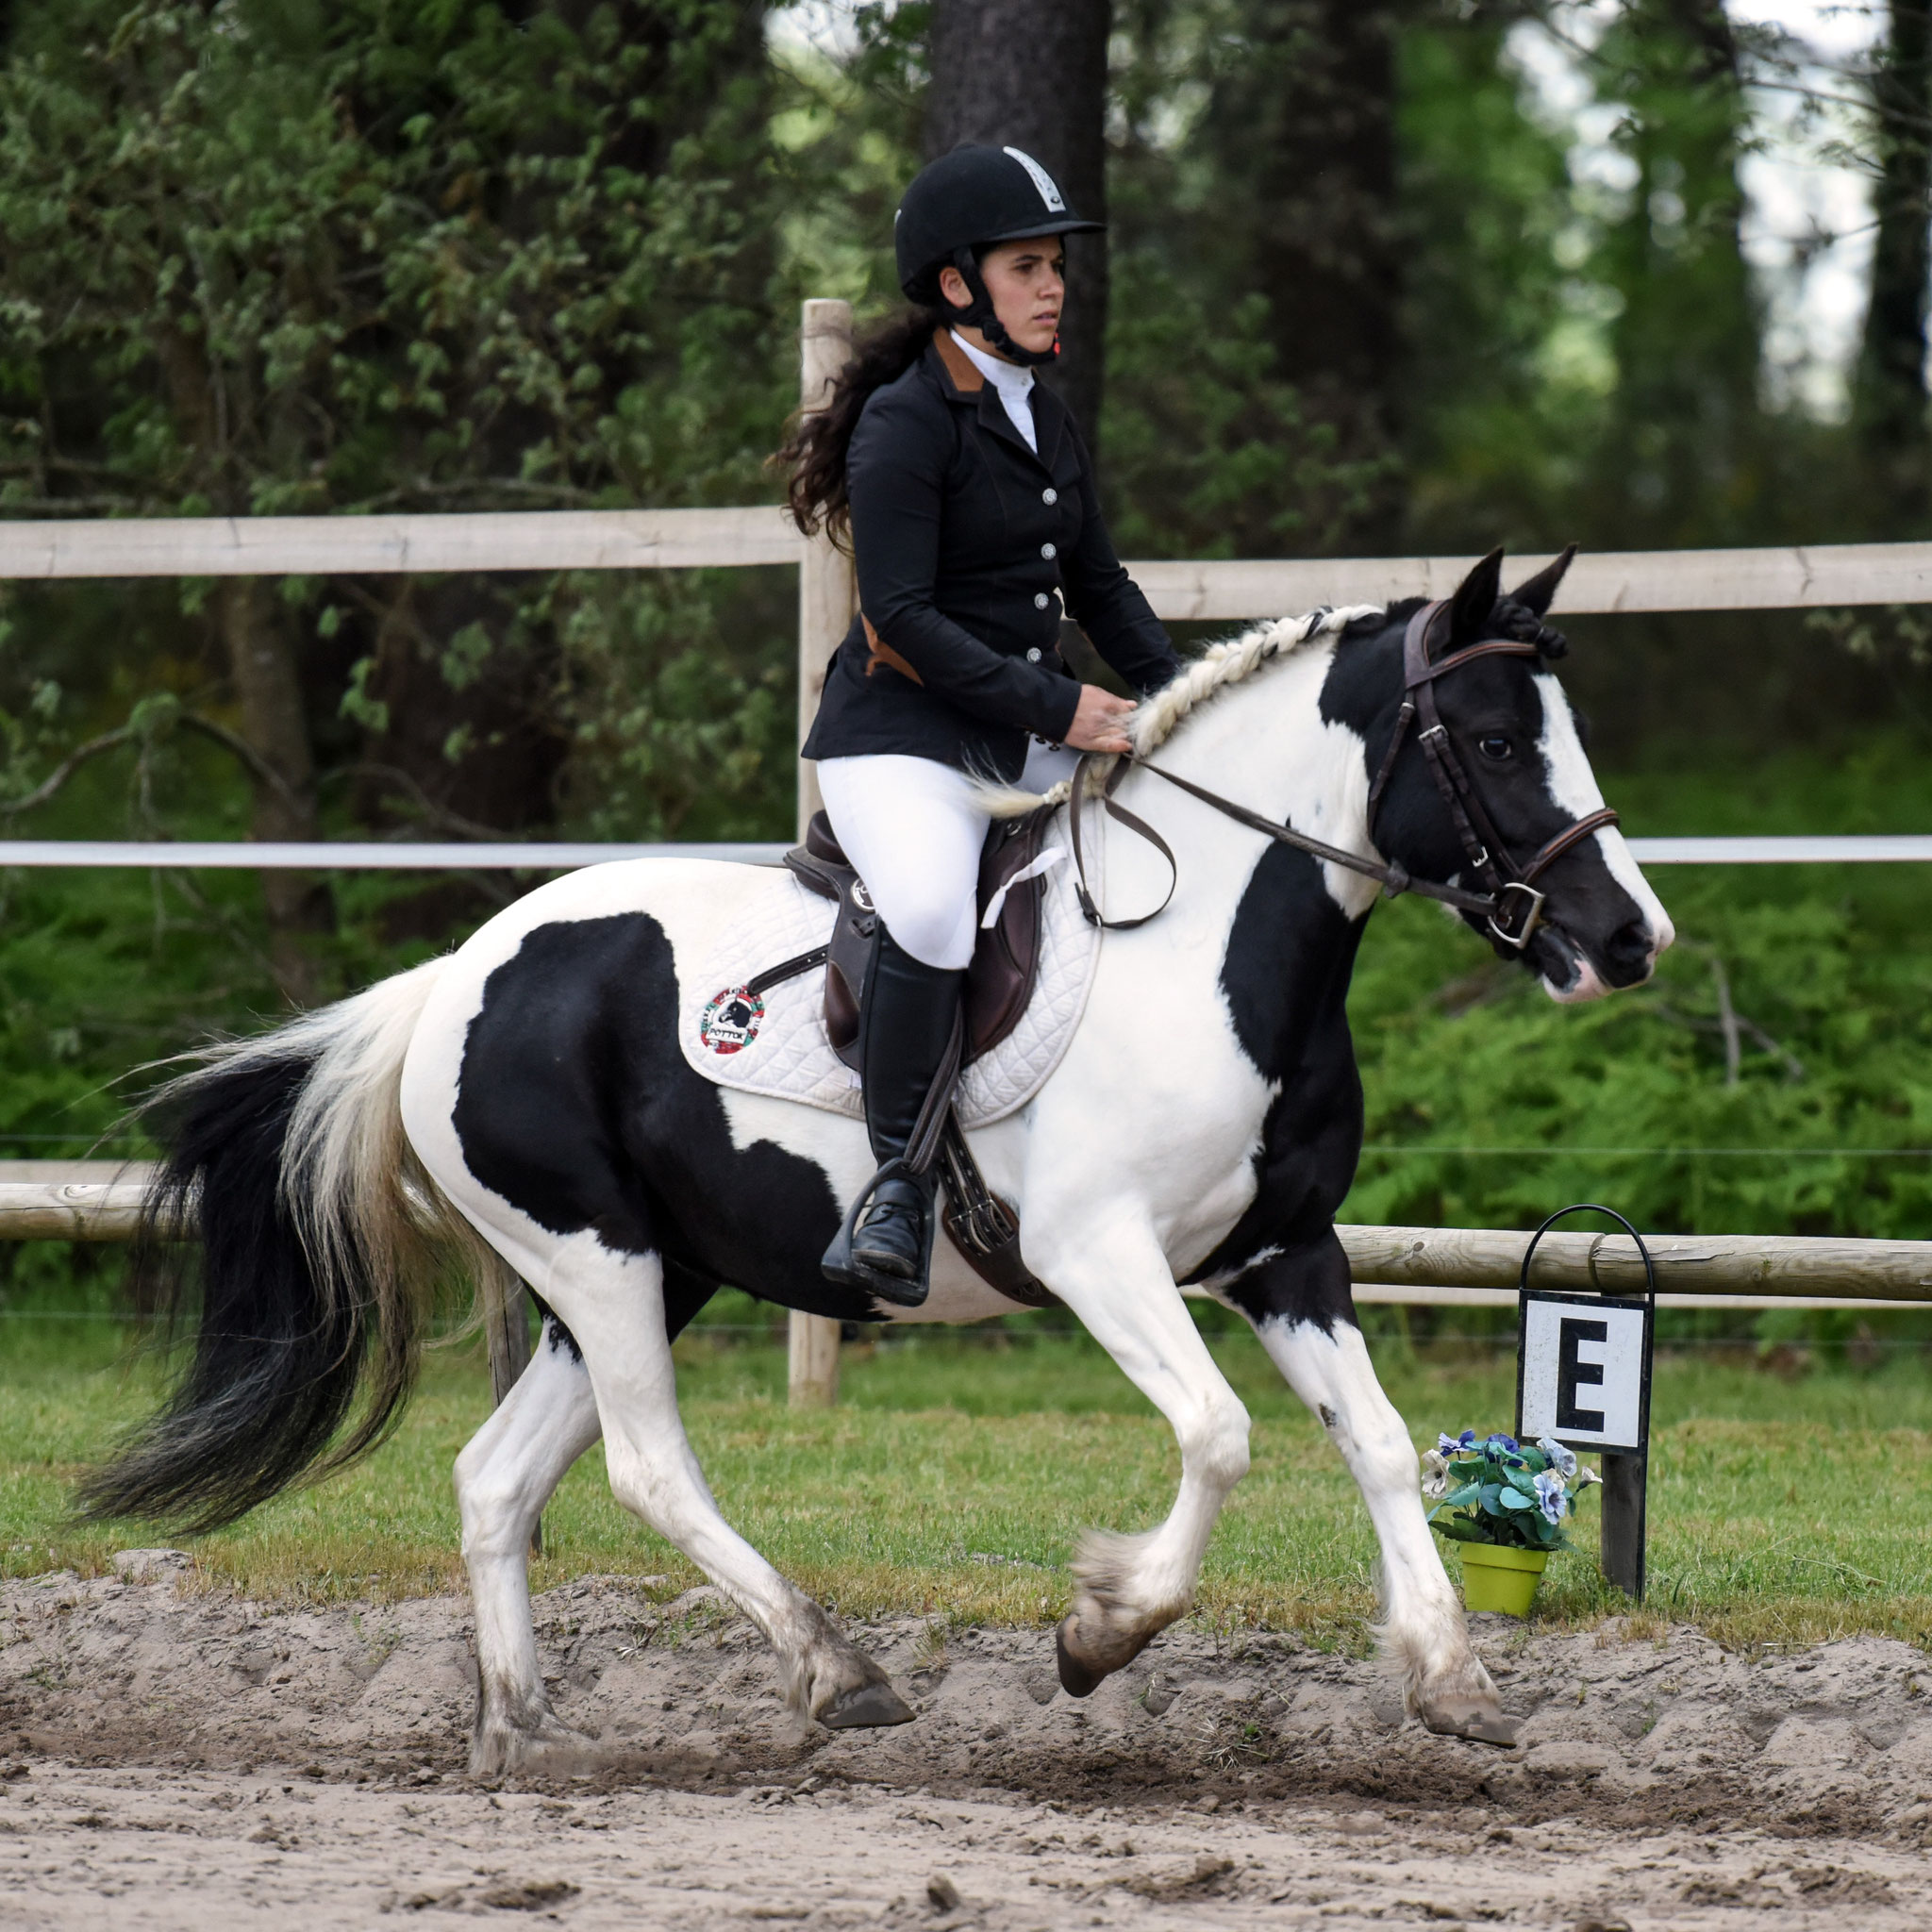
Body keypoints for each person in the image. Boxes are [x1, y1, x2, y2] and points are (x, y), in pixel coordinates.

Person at [780, 142, 1182, 1308]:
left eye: (1055, 265)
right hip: (898, 744)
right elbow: (897, 617)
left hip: (1015, 736)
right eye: (1026, 266)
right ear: (958, 284)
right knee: (930, 908)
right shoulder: (908, 422)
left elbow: (1099, 584)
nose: (1053, 286)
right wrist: (1065, 703)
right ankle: (894, 1190)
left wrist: (1179, 704)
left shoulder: (1038, 413)